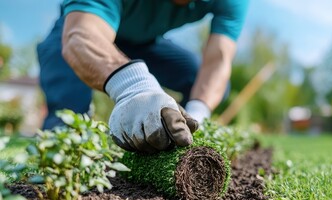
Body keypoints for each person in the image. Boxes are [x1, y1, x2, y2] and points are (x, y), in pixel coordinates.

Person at [37, 0, 249, 153]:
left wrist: (198, 113)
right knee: (67, 123)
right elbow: (81, 35)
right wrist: (134, 86)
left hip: (144, 43)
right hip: (79, 29)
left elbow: (218, 61)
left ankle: (165, 142)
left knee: (201, 80)